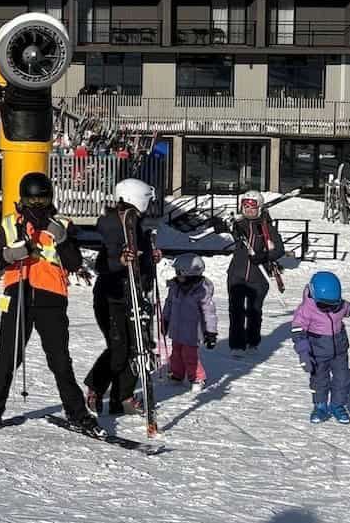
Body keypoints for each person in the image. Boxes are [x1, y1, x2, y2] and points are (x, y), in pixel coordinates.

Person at [0, 173, 97, 435]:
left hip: (51, 298)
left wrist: (62, 239)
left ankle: (78, 413)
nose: (37, 205)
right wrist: (11, 253)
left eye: (42, 200)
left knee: (60, 361)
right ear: (23, 199)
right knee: (6, 359)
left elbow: (74, 263)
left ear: (50, 198)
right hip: (17, 295)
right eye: (31, 200)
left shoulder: (61, 224)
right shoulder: (10, 224)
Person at [84, 178, 159, 416]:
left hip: (134, 293)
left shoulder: (136, 225)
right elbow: (103, 263)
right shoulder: (112, 226)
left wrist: (150, 258)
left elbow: (139, 260)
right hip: (111, 296)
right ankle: (95, 388)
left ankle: (123, 396)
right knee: (119, 349)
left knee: (138, 346)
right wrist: (120, 261)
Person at [294, 271, 350, 424]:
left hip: (339, 351)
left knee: (343, 379)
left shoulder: (339, 306)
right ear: (313, 294)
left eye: (333, 305)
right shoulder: (305, 310)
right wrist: (304, 353)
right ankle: (320, 406)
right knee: (319, 380)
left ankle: (337, 405)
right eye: (323, 305)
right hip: (317, 353)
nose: (329, 308)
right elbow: (298, 333)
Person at [227, 189, 285, 357]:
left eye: (252, 208)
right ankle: (237, 345)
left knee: (254, 311)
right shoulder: (239, 224)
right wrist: (219, 226)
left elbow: (279, 250)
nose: (249, 211)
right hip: (237, 275)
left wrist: (264, 256)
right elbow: (227, 229)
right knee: (236, 310)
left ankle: (252, 342)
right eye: (246, 207)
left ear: (259, 208)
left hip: (258, 277)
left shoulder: (266, 227)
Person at [161, 254, 218, 391]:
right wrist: (165, 320)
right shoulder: (175, 287)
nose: (176, 275)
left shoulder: (201, 291)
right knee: (176, 354)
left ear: (189, 274)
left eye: (179, 273)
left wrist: (210, 332)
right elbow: (169, 304)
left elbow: (209, 313)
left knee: (189, 356)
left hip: (192, 332)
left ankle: (198, 377)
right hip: (176, 329)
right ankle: (177, 375)